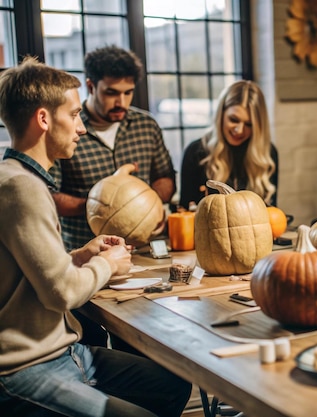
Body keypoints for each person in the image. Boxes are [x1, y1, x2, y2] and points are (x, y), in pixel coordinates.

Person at [0, 57, 191, 417]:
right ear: (43, 119)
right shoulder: (21, 187)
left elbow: (30, 274)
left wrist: (80, 256)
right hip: (25, 369)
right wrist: (106, 263)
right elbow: (62, 293)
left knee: (172, 386)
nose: (81, 128)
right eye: (73, 115)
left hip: (67, 353)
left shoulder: (23, 179)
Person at [50, 45, 176, 251]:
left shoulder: (146, 125)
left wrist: (149, 206)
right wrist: (105, 205)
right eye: (111, 93)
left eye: (128, 93)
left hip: (144, 250)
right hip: (84, 255)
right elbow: (49, 197)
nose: (121, 102)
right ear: (91, 87)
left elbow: (165, 177)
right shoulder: (67, 129)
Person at [179, 80, 278, 210]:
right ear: (221, 114)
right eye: (234, 120)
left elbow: (272, 214)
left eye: (249, 124)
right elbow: (184, 211)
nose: (240, 130)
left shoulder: (267, 153)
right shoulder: (196, 152)